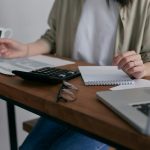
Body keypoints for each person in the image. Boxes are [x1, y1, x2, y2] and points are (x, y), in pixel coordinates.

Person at [0, 0, 150, 149]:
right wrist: (25, 49)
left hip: (115, 100)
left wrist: (142, 68)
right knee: (29, 147)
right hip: (70, 94)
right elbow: (53, 37)